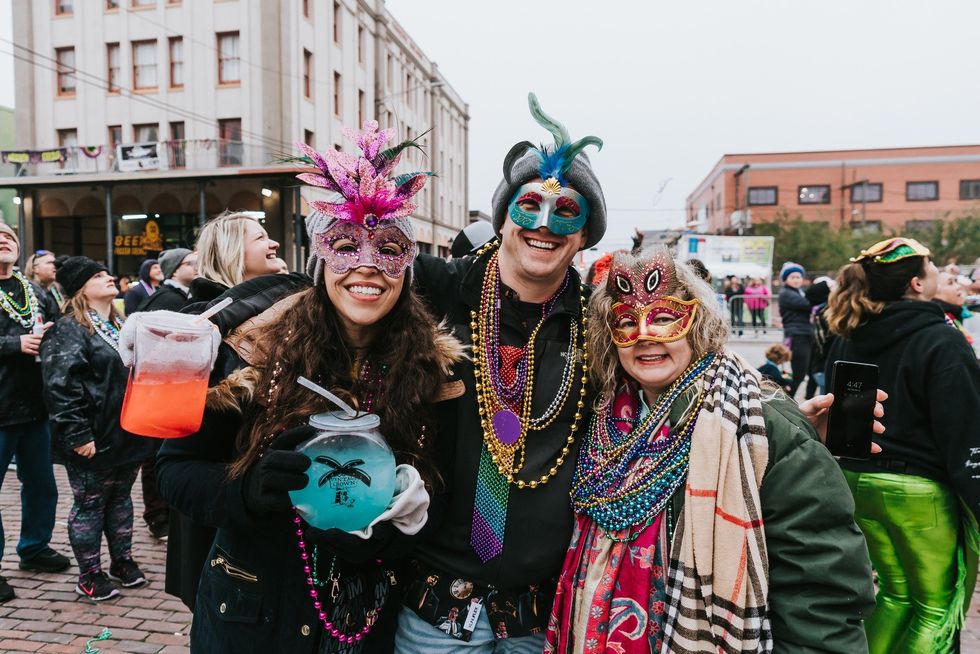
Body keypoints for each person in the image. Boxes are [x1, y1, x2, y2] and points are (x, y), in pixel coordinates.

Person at [156, 122, 462, 653]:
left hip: (369, 622)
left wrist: (401, 521)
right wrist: (247, 490)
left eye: (387, 248)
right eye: (346, 246)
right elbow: (174, 471)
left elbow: (440, 484)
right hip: (254, 617)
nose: (366, 266)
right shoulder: (250, 350)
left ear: (406, 268)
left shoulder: (433, 372)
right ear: (321, 262)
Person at [545, 248, 875, 653]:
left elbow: (820, 591)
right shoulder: (601, 416)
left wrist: (792, 431)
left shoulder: (756, 423)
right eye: (627, 323)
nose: (646, 335)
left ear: (696, 321)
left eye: (665, 318)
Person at [394, 93, 604, 652]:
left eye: (567, 213)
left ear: (584, 236)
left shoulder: (600, 323)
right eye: (527, 207)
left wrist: (776, 417)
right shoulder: (436, 289)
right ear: (503, 216)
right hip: (437, 605)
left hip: (540, 610)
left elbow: (678, 372)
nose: (544, 226)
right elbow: (340, 291)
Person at [825, 237, 980, 653]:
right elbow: (962, 427)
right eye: (932, 268)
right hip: (919, 492)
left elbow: (839, 416)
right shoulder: (940, 338)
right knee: (936, 608)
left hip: (858, 481)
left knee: (894, 596)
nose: (938, 274)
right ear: (915, 283)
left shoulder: (849, 334)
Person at [41, 256, 158, 601]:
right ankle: (89, 574)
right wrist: (77, 435)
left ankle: (122, 562)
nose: (108, 278)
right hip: (92, 436)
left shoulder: (122, 325)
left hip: (127, 432)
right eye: (98, 275)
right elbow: (60, 386)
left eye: (107, 273)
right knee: (90, 504)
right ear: (80, 288)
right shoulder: (69, 329)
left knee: (121, 499)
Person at [0, 223, 70, 602]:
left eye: (9, 234)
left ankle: (34, 548)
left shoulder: (36, 291)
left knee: (42, 485)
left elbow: (57, 328)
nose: (3, 239)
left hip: (35, 409)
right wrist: (14, 344)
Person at [185, 211, 282, 311]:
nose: (275, 244)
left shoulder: (278, 299)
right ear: (231, 251)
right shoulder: (205, 315)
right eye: (260, 237)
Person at [777, 261, 811, 397]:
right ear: (786, 279)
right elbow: (807, 305)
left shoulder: (799, 292)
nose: (796, 280)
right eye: (793, 277)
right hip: (797, 334)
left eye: (799, 277)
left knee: (805, 370)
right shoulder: (786, 293)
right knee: (799, 372)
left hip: (804, 333)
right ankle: (788, 399)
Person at [138, 248, 197, 313]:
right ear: (174, 271)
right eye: (190, 263)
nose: (197, 267)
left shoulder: (179, 295)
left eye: (197, 263)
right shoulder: (168, 299)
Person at [934, 269, 974, 348]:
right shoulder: (942, 322)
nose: (958, 286)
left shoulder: (955, 315)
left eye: (956, 281)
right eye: (950, 283)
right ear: (933, 291)